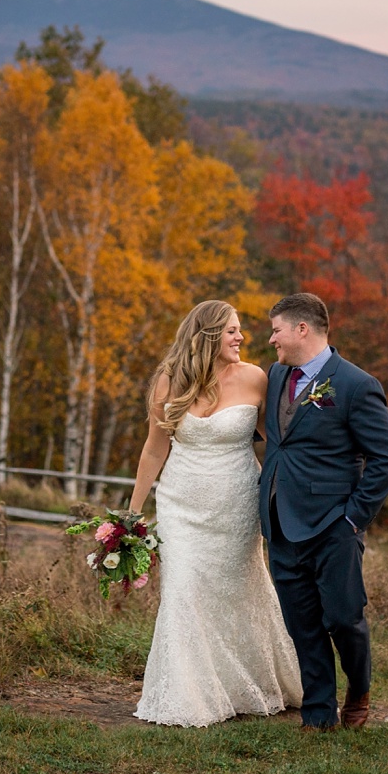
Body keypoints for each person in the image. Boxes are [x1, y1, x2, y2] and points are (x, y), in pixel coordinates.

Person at [126, 299, 303, 727]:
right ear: (207, 336)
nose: (241, 337)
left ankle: (243, 684)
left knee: (236, 589)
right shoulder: (170, 381)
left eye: (240, 329)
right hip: (181, 504)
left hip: (237, 502)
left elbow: (278, 440)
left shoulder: (257, 378)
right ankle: (190, 695)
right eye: (231, 331)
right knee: (183, 591)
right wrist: (132, 512)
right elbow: (155, 447)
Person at [259, 292, 388, 731]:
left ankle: (359, 688)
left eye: (276, 329)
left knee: (343, 619)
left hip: (333, 524)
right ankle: (318, 715)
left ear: (303, 329)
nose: (271, 339)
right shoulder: (277, 376)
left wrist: (354, 517)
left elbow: (386, 458)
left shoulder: (357, 385)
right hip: (280, 520)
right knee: (301, 624)